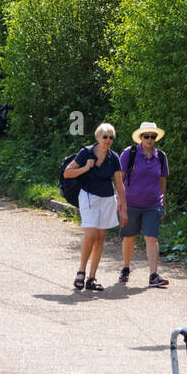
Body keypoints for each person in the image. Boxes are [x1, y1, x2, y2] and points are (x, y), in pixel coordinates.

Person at [63, 122, 128, 292]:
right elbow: (67, 172)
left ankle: (92, 277)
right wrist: (85, 167)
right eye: (105, 137)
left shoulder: (113, 157)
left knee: (100, 237)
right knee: (90, 233)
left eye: (111, 137)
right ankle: (81, 272)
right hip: (88, 196)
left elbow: (119, 185)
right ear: (97, 137)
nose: (108, 140)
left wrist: (124, 207)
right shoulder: (86, 152)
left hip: (107, 199)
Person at [118, 122, 170, 288]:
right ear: (140, 137)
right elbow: (120, 178)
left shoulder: (160, 156)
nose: (149, 139)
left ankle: (153, 275)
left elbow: (162, 180)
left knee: (151, 238)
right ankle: (126, 267)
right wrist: (121, 202)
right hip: (131, 202)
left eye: (152, 136)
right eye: (146, 136)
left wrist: (163, 201)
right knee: (129, 237)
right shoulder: (130, 153)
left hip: (153, 204)